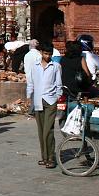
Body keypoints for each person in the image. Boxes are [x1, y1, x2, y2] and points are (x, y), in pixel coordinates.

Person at [26, 41, 63, 169]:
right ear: (41, 53)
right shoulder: (35, 66)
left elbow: (59, 85)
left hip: (51, 101)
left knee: (48, 130)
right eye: (46, 53)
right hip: (37, 100)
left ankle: (51, 157)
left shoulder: (56, 66)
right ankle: (44, 157)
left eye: (50, 54)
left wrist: (57, 97)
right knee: (41, 131)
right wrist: (28, 96)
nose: (48, 56)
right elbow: (30, 82)